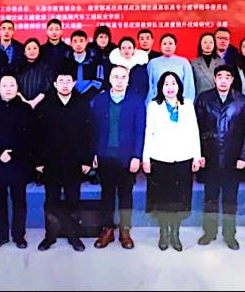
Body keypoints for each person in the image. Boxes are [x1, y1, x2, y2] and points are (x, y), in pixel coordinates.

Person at [34, 69, 95, 252]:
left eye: (68, 81)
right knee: (51, 201)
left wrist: (87, 160)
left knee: (73, 201)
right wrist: (38, 161)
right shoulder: (45, 105)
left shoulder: (82, 104)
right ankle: (50, 236)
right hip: (50, 162)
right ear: (55, 84)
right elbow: (36, 135)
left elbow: (89, 133)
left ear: (74, 83)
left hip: (75, 162)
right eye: (61, 81)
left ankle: (73, 236)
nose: (65, 84)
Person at [194, 64, 245, 250]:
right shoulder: (204, 99)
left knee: (230, 200)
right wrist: (199, 154)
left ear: (232, 80)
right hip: (209, 158)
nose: (224, 80)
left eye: (228, 77)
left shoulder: (242, 100)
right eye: (220, 77)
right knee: (210, 198)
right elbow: (196, 129)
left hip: (232, 160)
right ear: (215, 79)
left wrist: (243, 157)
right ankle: (209, 232)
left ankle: (229, 235)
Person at [91, 65, 147, 250]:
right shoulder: (99, 100)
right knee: (106, 194)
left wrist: (137, 156)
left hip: (127, 157)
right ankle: (107, 230)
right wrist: (93, 153)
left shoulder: (137, 101)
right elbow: (93, 130)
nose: (119, 81)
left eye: (123, 77)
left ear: (128, 80)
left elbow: (140, 131)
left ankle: (125, 230)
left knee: (125, 195)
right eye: (116, 77)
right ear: (110, 79)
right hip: (105, 155)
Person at [145, 72, 202, 252]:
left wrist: (196, 156)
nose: (170, 87)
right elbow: (148, 133)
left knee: (179, 199)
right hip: (160, 159)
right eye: (166, 84)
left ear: (179, 86)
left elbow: (194, 132)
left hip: (183, 159)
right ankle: (163, 233)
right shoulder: (154, 106)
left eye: (173, 83)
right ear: (161, 87)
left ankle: (175, 233)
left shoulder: (187, 106)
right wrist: (146, 158)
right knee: (161, 198)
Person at [0, 72, 33, 250]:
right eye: (5, 85)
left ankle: (19, 235)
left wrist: (13, 153)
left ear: (17, 88)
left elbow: (30, 135)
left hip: (19, 161)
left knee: (19, 200)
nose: (8, 88)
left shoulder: (25, 109)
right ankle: (1, 234)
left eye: (12, 85)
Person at [146, 34, 195, 106]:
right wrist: (151, 103)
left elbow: (189, 86)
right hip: (158, 102)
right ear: (160, 46)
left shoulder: (184, 62)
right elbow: (149, 85)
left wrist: (184, 103)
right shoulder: (153, 63)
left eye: (170, 43)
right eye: (164, 44)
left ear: (175, 46)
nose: (167, 46)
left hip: (179, 103)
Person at [69, 30, 107, 102]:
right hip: (71, 99)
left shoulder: (96, 59)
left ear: (86, 42)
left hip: (91, 98)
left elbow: (99, 81)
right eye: (75, 41)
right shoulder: (66, 60)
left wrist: (86, 96)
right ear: (71, 43)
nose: (78, 44)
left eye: (81, 41)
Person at [17, 37, 54, 109]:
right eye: (29, 49)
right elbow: (15, 86)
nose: (32, 51)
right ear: (24, 52)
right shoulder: (18, 68)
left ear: (39, 51)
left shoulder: (46, 67)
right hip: (21, 104)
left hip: (41, 105)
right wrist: (25, 102)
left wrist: (34, 102)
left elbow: (47, 87)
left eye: (35, 48)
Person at [190, 32, 222, 97]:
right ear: (200, 44)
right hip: (200, 97)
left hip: (217, 98)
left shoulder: (221, 62)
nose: (208, 45)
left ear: (214, 44)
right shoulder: (193, 63)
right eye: (205, 42)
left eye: (211, 42)